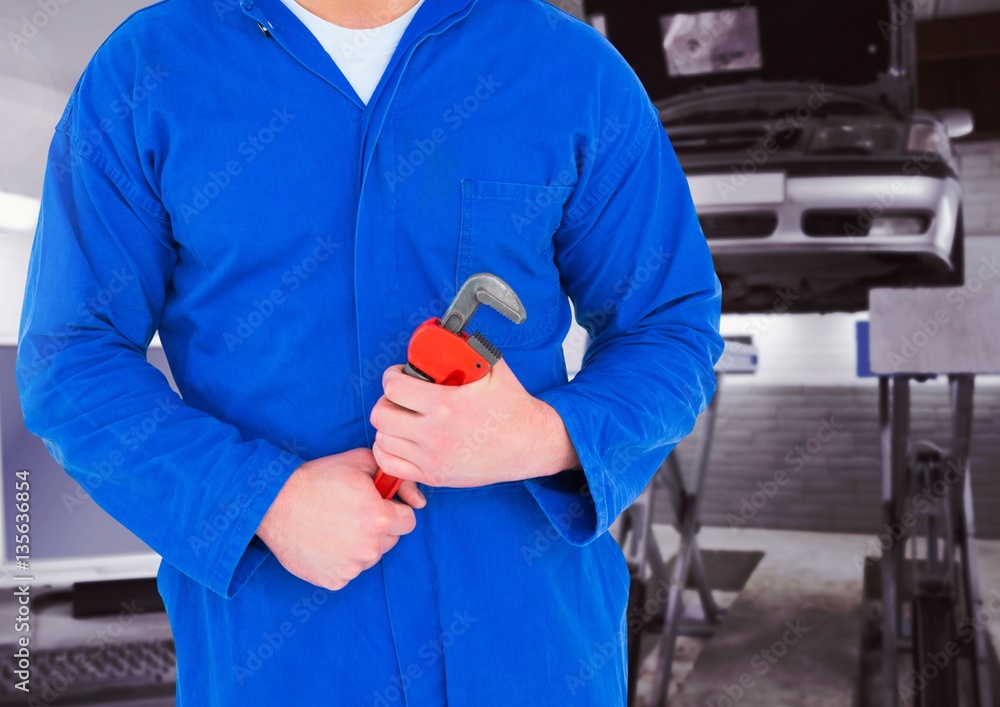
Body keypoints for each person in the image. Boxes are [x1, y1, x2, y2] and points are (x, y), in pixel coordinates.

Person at [16, 0, 723, 703]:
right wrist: (265, 502)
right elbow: (71, 357)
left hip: (536, 654)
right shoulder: (147, 72)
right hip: (282, 664)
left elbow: (669, 326)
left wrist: (540, 437)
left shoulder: (571, 71)